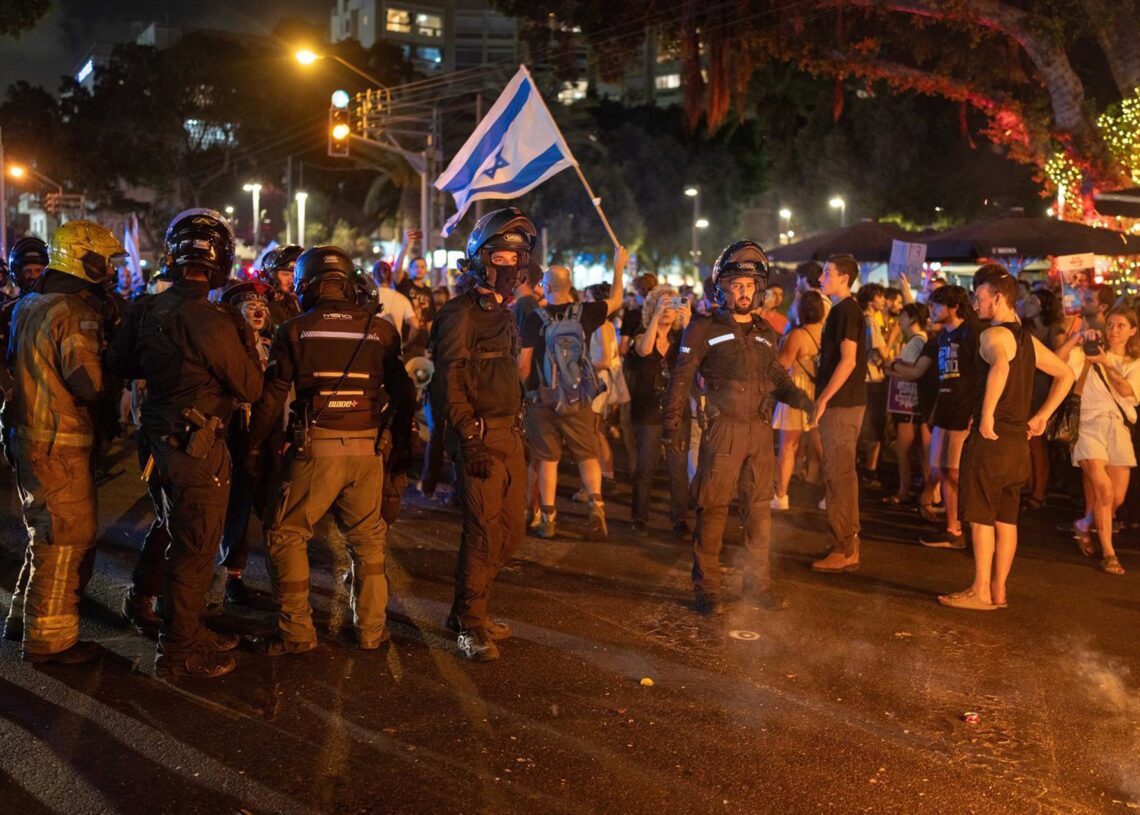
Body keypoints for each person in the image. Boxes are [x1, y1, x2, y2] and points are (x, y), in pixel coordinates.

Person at [108, 209, 264, 678]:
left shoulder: (145, 307)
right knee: (195, 545)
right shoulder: (213, 319)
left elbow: (121, 365)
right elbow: (250, 386)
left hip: (156, 439)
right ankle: (180, 648)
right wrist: (244, 336)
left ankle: (153, 607)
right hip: (197, 446)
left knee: (172, 528)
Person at [243, 246, 413, 654]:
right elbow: (405, 393)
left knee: (286, 534)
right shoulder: (381, 330)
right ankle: (372, 631)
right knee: (368, 541)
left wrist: (252, 447)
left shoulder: (294, 330)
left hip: (315, 450)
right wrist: (402, 448)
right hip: (368, 451)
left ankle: (297, 633)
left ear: (307, 286)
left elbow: (272, 398)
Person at [663, 241, 813, 614]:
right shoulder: (703, 327)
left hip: (759, 433)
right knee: (712, 510)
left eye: (749, 285)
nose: (743, 292)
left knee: (759, 511)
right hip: (723, 432)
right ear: (723, 288)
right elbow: (681, 378)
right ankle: (707, 589)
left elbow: (775, 375)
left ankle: (757, 587)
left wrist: (800, 398)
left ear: (759, 288)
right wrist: (672, 422)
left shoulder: (764, 332)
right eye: (736, 285)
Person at [2, 222, 123, 662]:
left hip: (28, 434)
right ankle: (49, 642)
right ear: (83, 259)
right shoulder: (72, 310)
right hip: (59, 438)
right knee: (66, 537)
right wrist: (115, 361)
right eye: (105, 260)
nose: (110, 269)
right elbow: (88, 382)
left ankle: (24, 619)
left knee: (46, 533)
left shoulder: (28, 303)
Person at [429, 207, 535, 662]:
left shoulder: (506, 315)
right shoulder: (459, 314)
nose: (509, 267)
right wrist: (468, 436)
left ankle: (466, 609)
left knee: (512, 533)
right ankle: (471, 625)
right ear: (479, 260)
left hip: (511, 436)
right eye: (500, 258)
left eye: (516, 259)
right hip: (480, 438)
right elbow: (448, 379)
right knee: (482, 533)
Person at [939, 264, 1073, 611]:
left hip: (992, 439)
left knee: (981, 517)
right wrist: (1041, 416)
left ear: (998, 298)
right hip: (1018, 446)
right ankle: (999, 591)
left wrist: (986, 414)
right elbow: (1066, 374)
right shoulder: (1027, 340)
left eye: (980, 296)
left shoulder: (993, 335)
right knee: (1006, 519)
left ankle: (981, 591)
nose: (975, 303)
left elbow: (1000, 366)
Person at [519, 251, 627, 541]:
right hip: (578, 398)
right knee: (587, 455)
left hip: (543, 400)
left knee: (547, 459)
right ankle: (596, 508)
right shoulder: (586, 312)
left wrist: (527, 392)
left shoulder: (534, 318)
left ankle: (549, 518)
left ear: (547, 286)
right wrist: (618, 267)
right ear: (569, 285)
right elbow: (617, 300)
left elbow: (524, 363)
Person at [1057, 306, 1140, 575]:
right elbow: (1055, 363)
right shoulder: (1086, 353)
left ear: (1133, 331)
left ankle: (1084, 524)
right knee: (1103, 491)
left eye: (1121, 326)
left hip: (1117, 427)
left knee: (1116, 498)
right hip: (1088, 423)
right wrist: (1075, 337)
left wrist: (1105, 362)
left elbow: (1127, 391)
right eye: (1111, 325)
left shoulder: (1134, 363)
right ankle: (1109, 553)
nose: (1114, 330)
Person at [216, 280, 275, 606]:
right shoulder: (226, 346)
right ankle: (231, 574)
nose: (258, 311)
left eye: (262, 307)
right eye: (250, 306)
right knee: (235, 503)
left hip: (265, 433)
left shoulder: (270, 345)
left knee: (269, 504)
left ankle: (280, 574)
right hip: (234, 430)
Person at [810, 254, 869, 573]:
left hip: (842, 405)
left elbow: (848, 360)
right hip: (844, 404)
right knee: (841, 475)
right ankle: (846, 544)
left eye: (827, 273)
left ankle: (843, 547)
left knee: (838, 476)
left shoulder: (846, 310)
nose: (821, 278)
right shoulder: (843, 310)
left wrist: (823, 399)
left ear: (845, 278)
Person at [912, 285, 979, 547]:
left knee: (955, 471)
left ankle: (965, 526)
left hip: (964, 410)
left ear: (954, 307)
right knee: (941, 467)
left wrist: (977, 411)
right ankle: (952, 528)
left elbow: (982, 374)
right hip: (945, 409)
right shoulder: (941, 337)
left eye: (937, 305)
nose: (931, 310)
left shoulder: (971, 334)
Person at [625, 285, 694, 536]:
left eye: (671, 305)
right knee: (646, 467)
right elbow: (644, 350)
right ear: (651, 308)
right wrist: (656, 316)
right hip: (648, 411)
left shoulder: (682, 338)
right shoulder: (640, 334)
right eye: (661, 304)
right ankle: (639, 516)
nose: (667, 310)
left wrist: (689, 323)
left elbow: (696, 356)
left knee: (678, 468)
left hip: (676, 411)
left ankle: (679, 518)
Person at [771, 289, 825, 510]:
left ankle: (781, 495)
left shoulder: (797, 335)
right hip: (818, 394)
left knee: (788, 447)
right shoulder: (826, 333)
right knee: (823, 449)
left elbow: (782, 365)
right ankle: (832, 496)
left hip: (796, 393)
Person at [883, 302, 933, 505]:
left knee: (903, 449)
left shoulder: (915, 343)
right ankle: (929, 493)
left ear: (912, 318)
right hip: (915, 402)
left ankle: (904, 491)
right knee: (920, 450)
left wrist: (890, 368)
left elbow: (911, 373)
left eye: (903, 316)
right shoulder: (921, 340)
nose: (899, 321)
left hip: (908, 402)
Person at [856, 282, 890, 484]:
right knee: (874, 428)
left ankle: (860, 468)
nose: (884, 300)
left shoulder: (861, 320)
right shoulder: (870, 322)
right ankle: (870, 471)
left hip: (862, 379)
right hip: (873, 380)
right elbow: (884, 354)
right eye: (880, 296)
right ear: (870, 301)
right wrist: (894, 337)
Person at [394, 229, 436, 358]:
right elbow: (397, 271)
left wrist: (431, 345)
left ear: (426, 270)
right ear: (410, 269)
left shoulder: (428, 291)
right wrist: (405, 246)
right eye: (416, 267)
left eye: (422, 267)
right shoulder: (405, 284)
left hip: (422, 344)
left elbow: (430, 321)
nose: (419, 269)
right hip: (405, 342)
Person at [371, 259, 419, 339]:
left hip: (373, 344)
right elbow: (416, 326)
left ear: (374, 276)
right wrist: (407, 343)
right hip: (395, 344)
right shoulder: (402, 298)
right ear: (391, 277)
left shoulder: (368, 296)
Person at [258, 244, 303, 328]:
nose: (291, 280)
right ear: (271, 276)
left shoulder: (294, 302)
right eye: (286, 274)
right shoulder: (260, 305)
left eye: (293, 275)